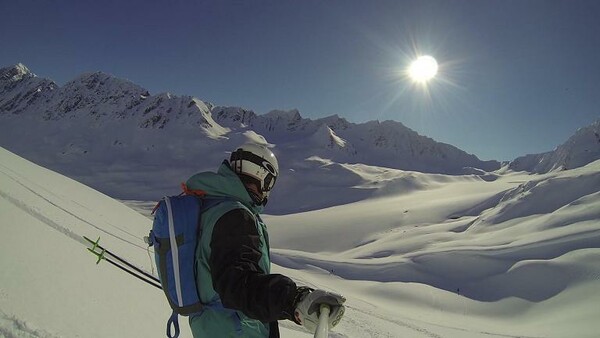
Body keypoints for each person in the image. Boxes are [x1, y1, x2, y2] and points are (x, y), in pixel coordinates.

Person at [184, 143, 346, 338]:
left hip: (213, 327)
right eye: (268, 183)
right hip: (237, 330)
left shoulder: (210, 206)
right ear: (262, 176)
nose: (266, 192)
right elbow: (238, 285)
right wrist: (294, 300)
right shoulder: (235, 216)